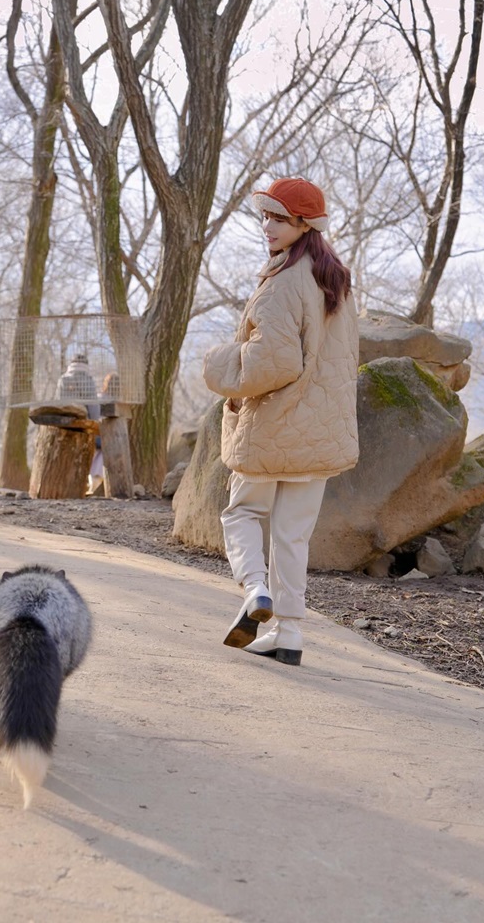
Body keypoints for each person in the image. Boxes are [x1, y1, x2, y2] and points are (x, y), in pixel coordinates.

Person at [203, 177, 359, 666]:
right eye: (265, 217)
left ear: (304, 224)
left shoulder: (282, 284)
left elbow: (272, 364)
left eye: (280, 219)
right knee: (292, 534)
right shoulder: (335, 280)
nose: (267, 227)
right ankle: (288, 633)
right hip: (321, 431)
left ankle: (255, 590)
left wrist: (218, 363)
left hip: (274, 424)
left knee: (242, 513)